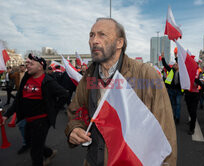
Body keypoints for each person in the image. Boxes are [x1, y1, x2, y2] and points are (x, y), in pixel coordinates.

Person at [65, 18, 177, 166]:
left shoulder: (146, 74)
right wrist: (75, 128)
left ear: (119, 43)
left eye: (102, 34)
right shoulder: (88, 77)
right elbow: (76, 111)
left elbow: (165, 133)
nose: (94, 41)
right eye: (91, 35)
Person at [1, 54, 69, 166]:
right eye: (27, 63)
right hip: (27, 119)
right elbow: (19, 99)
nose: (27, 65)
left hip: (41, 121)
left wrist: (53, 110)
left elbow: (65, 95)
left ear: (40, 67)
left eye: (31, 63)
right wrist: (6, 115)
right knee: (31, 143)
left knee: (35, 153)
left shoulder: (48, 81)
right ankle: (49, 153)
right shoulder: (27, 78)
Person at [161, 50, 182, 124]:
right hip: (171, 90)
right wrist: (163, 58)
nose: (175, 65)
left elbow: (181, 62)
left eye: (176, 64)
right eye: (174, 65)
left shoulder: (182, 72)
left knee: (178, 104)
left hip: (178, 90)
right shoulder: (171, 70)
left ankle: (177, 117)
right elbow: (165, 65)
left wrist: (176, 57)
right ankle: (173, 116)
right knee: (173, 104)